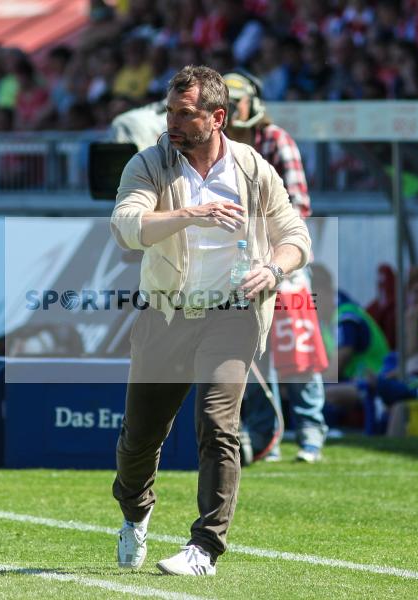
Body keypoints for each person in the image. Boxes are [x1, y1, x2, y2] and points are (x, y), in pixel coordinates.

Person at [110, 65, 310, 576]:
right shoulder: (148, 164)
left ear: (217, 117)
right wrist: (190, 215)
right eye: (169, 111)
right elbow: (126, 226)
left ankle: (205, 547)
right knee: (139, 438)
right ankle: (136, 512)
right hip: (167, 315)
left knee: (219, 425)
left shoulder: (252, 167)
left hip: (233, 315)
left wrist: (273, 268)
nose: (171, 122)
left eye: (184, 113)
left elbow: (296, 236)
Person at [221, 70, 325, 463]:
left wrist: (273, 247)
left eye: (236, 101)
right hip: (239, 260)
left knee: (298, 347)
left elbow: (298, 205)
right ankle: (269, 438)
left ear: (253, 103)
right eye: (223, 102)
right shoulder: (219, 147)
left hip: (284, 257)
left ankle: (312, 431)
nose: (229, 109)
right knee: (256, 351)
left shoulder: (274, 140)